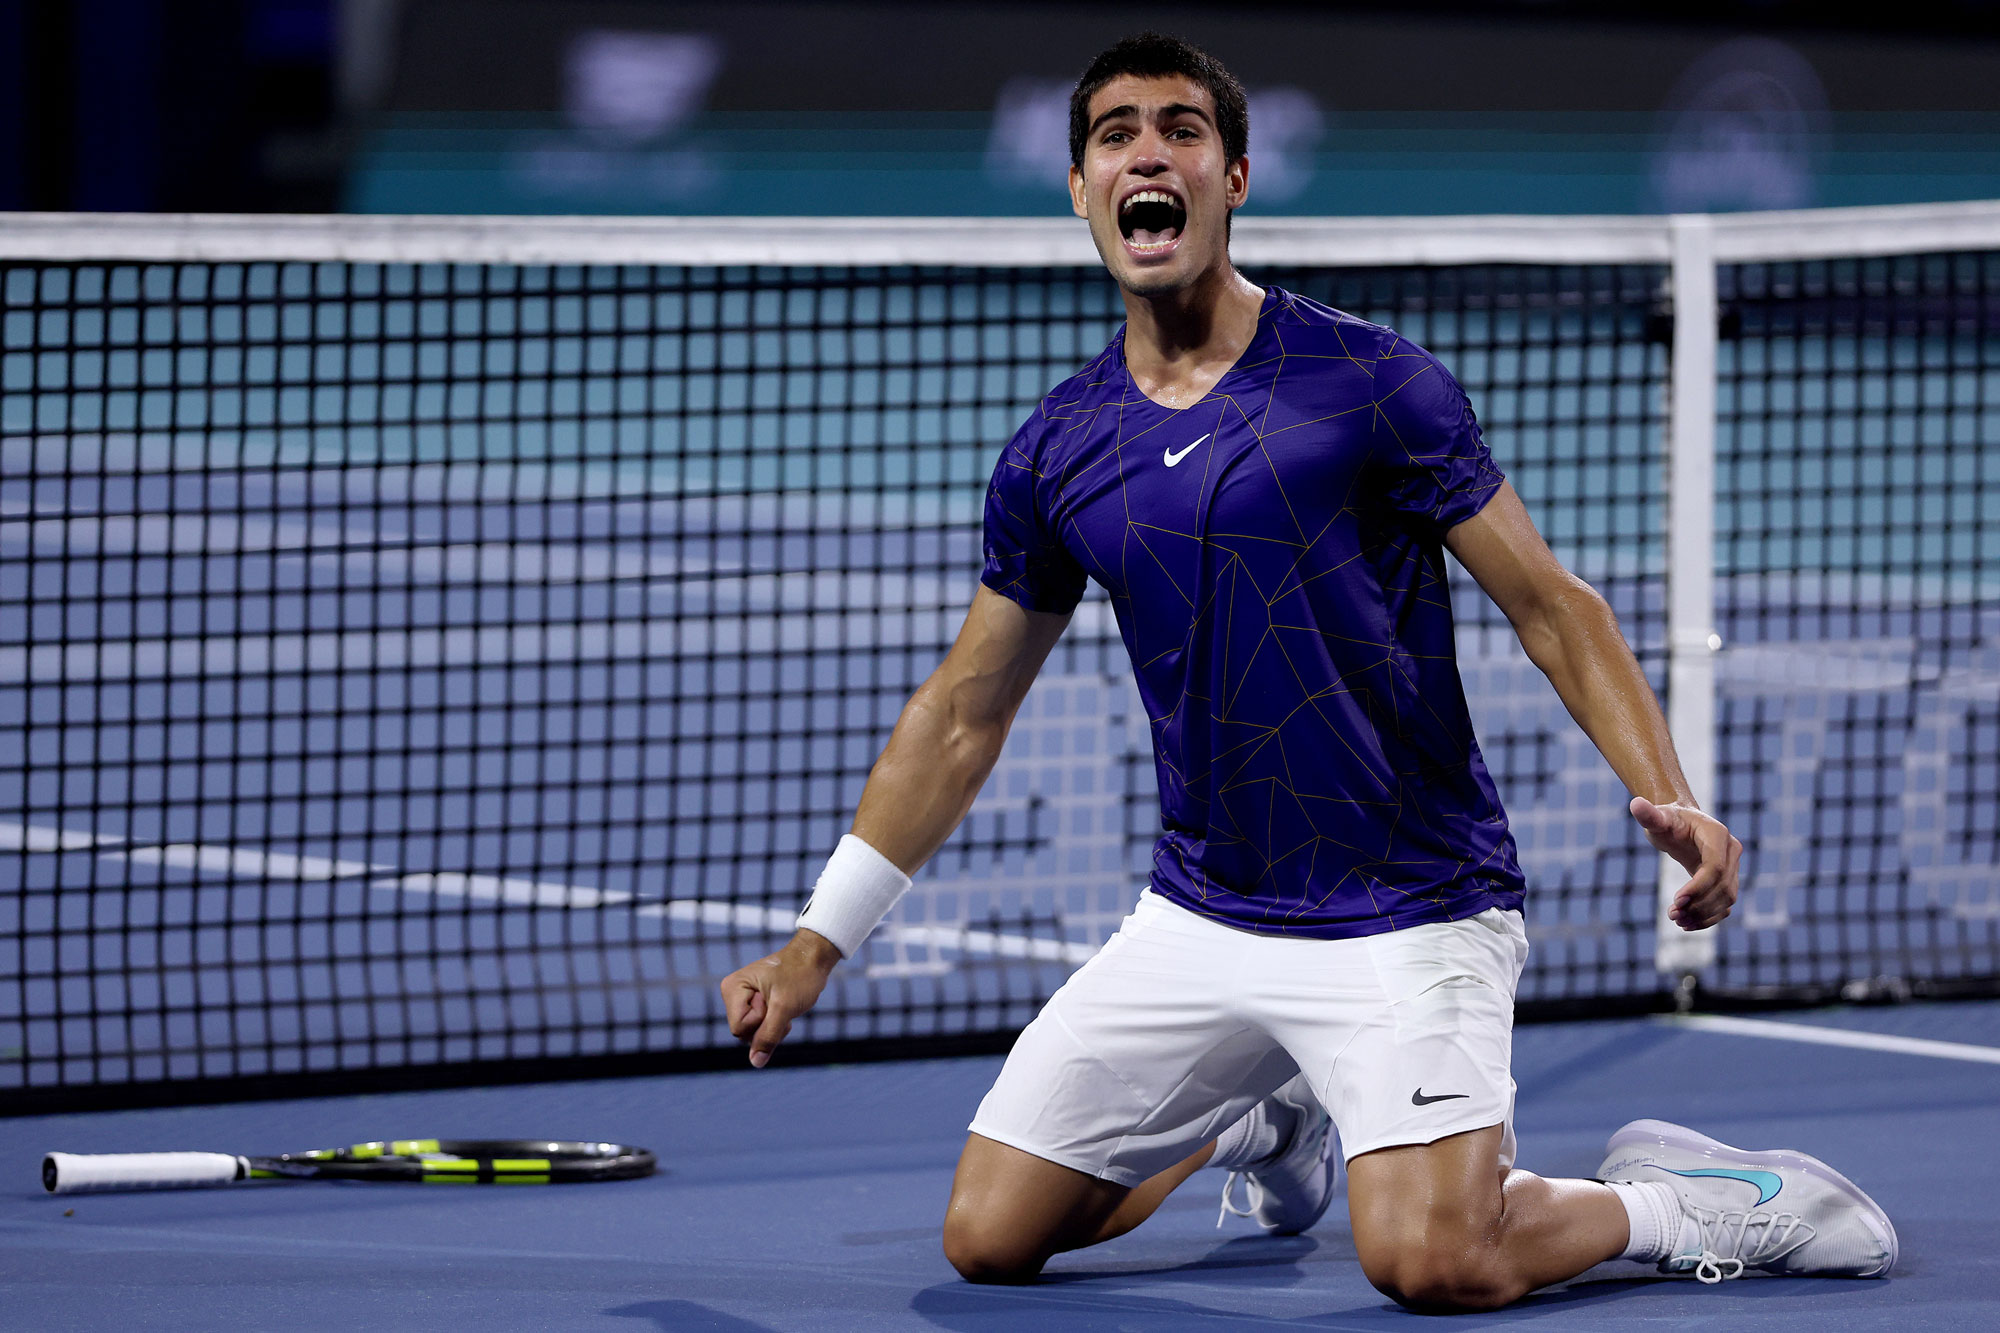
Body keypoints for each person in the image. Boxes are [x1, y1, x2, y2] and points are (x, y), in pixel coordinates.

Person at [720, 32, 1897, 1313]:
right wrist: (814, 945)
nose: (1146, 153)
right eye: (1115, 135)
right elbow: (961, 711)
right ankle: (1262, 1120)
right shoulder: (1055, 451)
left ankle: (1676, 1202)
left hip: (1412, 907)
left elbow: (1552, 607)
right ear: (1078, 187)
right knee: (989, 1236)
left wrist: (1673, 794)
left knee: (1434, 1260)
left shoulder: (1367, 381)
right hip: (1201, 916)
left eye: (1179, 130)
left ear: (1232, 175)